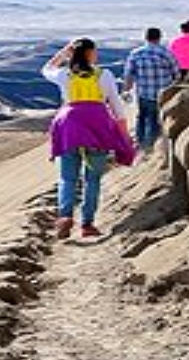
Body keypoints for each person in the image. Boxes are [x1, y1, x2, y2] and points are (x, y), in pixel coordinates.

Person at [42, 37, 136, 239]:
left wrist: (62, 54)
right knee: (92, 179)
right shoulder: (105, 75)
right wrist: (124, 136)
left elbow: (46, 69)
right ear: (91, 53)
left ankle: (65, 216)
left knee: (67, 178)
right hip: (97, 127)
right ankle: (87, 224)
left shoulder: (63, 74)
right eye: (95, 51)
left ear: (73, 53)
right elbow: (117, 107)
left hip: (69, 126)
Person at [121, 25, 180, 150]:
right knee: (156, 120)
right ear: (159, 38)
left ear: (145, 38)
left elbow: (128, 75)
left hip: (143, 93)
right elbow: (176, 73)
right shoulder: (166, 53)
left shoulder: (136, 53)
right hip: (163, 93)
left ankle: (140, 144)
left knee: (141, 118)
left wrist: (126, 91)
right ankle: (152, 147)